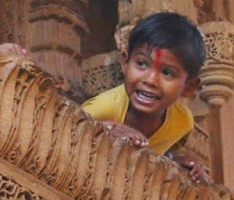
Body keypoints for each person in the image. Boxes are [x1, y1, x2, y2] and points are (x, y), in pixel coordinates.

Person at [82, 12, 212, 182]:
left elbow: (167, 152)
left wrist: (185, 165)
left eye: (167, 73)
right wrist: (103, 127)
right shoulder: (104, 108)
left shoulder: (182, 122)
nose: (150, 80)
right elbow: (69, 128)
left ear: (189, 87)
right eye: (141, 64)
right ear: (125, 63)